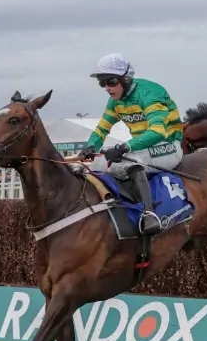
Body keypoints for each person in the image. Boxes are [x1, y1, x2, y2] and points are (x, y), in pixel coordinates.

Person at [78, 53, 184, 236]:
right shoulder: (114, 102)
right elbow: (101, 130)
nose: (107, 88)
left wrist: (124, 147)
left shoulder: (149, 93)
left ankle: (149, 214)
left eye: (110, 81)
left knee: (132, 159)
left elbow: (158, 132)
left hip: (168, 145)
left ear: (126, 78)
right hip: (142, 148)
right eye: (102, 83)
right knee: (95, 164)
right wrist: (91, 147)